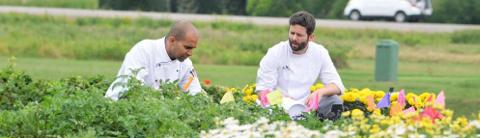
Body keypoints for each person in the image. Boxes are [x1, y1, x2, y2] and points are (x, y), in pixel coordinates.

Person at [255, 11, 345, 118]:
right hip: (277, 103)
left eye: (299, 35)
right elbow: (263, 90)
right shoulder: (275, 52)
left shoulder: (320, 52)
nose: (294, 38)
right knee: (267, 104)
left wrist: (319, 92)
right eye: (292, 33)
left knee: (334, 100)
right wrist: (283, 100)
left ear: (311, 37)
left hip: (305, 104)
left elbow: (337, 86)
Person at [105, 20, 202, 101]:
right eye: (187, 47)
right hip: (119, 105)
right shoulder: (144, 50)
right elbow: (132, 86)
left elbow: (194, 91)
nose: (190, 53)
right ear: (172, 41)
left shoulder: (186, 64)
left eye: (192, 49)